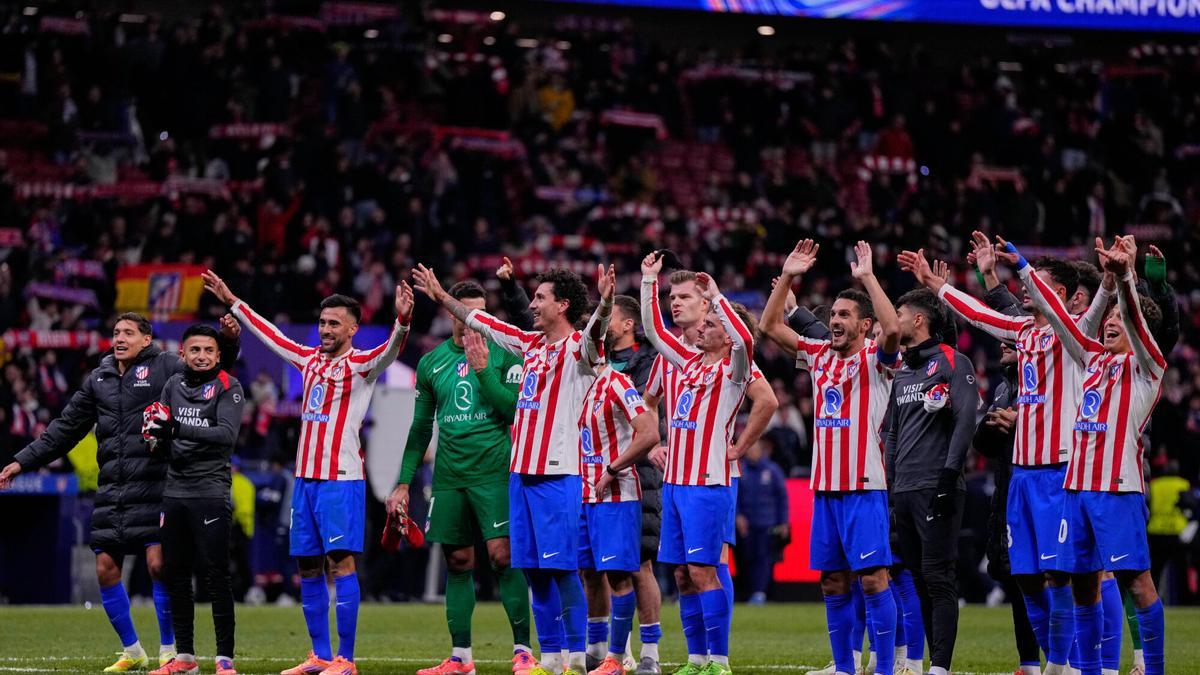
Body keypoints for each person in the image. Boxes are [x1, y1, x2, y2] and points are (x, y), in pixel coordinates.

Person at [899, 244, 1110, 675]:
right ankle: (1047, 661)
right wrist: (936, 284)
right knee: (1026, 576)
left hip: (1058, 472)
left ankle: (1068, 664)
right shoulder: (1023, 332)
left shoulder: (1074, 332)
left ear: (1062, 294)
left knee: (1060, 576)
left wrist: (1028, 267)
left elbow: (1067, 301)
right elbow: (978, 314)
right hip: (1022, 477)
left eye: (1037, 287)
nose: (1024, 291)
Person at [0, 312, 240, 672]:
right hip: (114, 487)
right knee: (106, 568)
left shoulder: (164, 367)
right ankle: (133, 651)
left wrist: (230, 342)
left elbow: (205, 368)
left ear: (147, 339)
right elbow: (65, 428)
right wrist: (22, 461)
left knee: (160, 565)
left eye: (128, 332)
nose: (120, 338)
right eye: (115, 332)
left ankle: (169, 649)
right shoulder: (99, 378)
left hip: (158, 483)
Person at [203, 270, 413, 675]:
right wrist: (233, 300)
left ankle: (346, 659)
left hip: (340, 478)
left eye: (335, 323)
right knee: (307, 565)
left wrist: (402, 321)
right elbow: (269, 333)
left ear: (352, 329)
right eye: (322, 322)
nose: (326, 329)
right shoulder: (308, 359)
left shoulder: (360, 364)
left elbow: (390, 350)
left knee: (340, 562)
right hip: (305, 481)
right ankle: (319, 655)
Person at [413, 262, 613, 675]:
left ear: (563, 305)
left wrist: (607, 301)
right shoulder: (530, 343)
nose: (532, 305)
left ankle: (577, 660)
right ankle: (551, 660)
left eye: (540, 298)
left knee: (561, 570)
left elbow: (597, 330)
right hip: (519, 475)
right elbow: (479, 320)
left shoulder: (579, 349)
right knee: (534, 571)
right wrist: (439, 295)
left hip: (558, 474)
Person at [1011, 237, 1168, 675]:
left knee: (1136, 582)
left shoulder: (1146, 368)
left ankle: (1152, 668)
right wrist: (1023, 270)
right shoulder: (1092, 358)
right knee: (1080, 586)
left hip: (1116, 490)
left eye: (1119, 319)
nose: (1112, 323)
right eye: (1109, 318)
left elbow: (1136, 322)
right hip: (1075, 490)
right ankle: (1089, 670)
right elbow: (1064, 322)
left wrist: (1126, 282)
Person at [760, 240, 901, 675]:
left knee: (874, 579)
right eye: (833, 315)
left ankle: (882, 668)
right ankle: (843, 667)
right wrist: (787, 275)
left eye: (844, 316)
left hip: (864, 487)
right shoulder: (819, 356)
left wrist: (867, 278)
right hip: (825, 489)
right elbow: (768, 326)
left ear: (864, 326)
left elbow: (894, 330)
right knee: (832, 581)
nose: (835, 322)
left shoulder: (879, 361)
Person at [385, 280, 534, 675]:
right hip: (450, 477)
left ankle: (523, 651)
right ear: (450, 313)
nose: (475, 320)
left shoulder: (504, 354)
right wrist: (403, 481)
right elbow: (420, 429)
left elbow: (513, 411)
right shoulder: (432, 363)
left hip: (495, 473)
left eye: (482, 312)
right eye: (467, 311)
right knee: (457, 560)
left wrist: (484, 371)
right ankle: (461, 658)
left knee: (504, 557)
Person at [642, 266, 778, 674]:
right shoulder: (686, 361)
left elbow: (747, 341)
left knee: (704, 570)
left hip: (707, 482)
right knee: (683, 574)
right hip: (675, 484)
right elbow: (653, 331)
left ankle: (719, 661)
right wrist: (650, 282)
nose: (703, 329)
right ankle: (696, 659)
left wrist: (719, 297)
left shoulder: (733, 370)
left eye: (712, 324)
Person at [884, 288, 980, 675]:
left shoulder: (953, 362)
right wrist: (890, 482)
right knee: (919, 579)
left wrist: (947, 477)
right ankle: (932, 663)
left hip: (936, 486)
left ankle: (940, 667)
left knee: (939, 578)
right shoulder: (904, 370)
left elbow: (965, 420)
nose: (895, 320)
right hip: (904, 489)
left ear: (919, 320)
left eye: (899, 312)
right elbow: (892, 433)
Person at [145, 324, 246, 675]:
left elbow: (225, 435)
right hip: (174, 491)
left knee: (216, 575)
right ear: (183, 354)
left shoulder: (229, 387)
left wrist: (175, 428)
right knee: (175, 575)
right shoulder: (172, 385)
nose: (201, 356)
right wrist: (155, 437)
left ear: (218, 356)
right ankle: (185, 658)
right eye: (195, 351)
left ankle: (224, 659)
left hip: (210, 492)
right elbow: (161, 437)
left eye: (208, 351)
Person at [577, 362, 659, 675]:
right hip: (587, 495)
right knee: (589, 573)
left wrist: (613, 469)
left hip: (617, 495)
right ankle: (597, 652)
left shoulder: (616, 382)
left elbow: (649, 432)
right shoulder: (580, 384)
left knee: (620, 576)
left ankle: (617, 657)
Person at [973, 342, 1043, 675]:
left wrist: (1021, 425)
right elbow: (983, 446)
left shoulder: (1046, 382)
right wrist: (990, 427)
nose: (1001, 344)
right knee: (1016, 576)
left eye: (1011, 342)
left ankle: (1068, 660)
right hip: (1007, 490)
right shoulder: (1003, 388)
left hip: (1043, 491)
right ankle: (1028, 664)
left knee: (1052, 579)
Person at [734, 440, 789, 605]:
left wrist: (783, 522)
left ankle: (760, 593)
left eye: (755, 449)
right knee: (745, 559)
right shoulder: (740, 470)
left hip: (767, 524)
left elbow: (782, 499)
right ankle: (748, 592)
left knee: (763, 559)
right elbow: (734, 496)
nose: (752, 452)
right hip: (746, 524)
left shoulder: (772, 470)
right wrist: (737, 516)